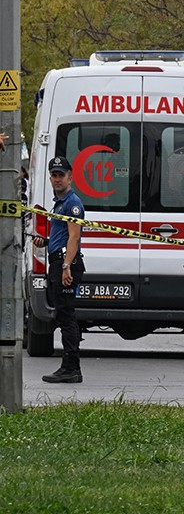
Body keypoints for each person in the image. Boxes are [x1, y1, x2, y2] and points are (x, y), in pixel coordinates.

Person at [33, 156, 86, 384]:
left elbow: (74, 237)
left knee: (66, 317)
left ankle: (71, 367)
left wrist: (66, 267)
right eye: (53, 175)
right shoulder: (59, 203)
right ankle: (69, 365)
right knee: (63, 315)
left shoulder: (72, 204)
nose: (57, 179)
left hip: (67, 264)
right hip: (58, 261)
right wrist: (46, 242)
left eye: (61, 175)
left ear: (70, 177)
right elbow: (62, 236)